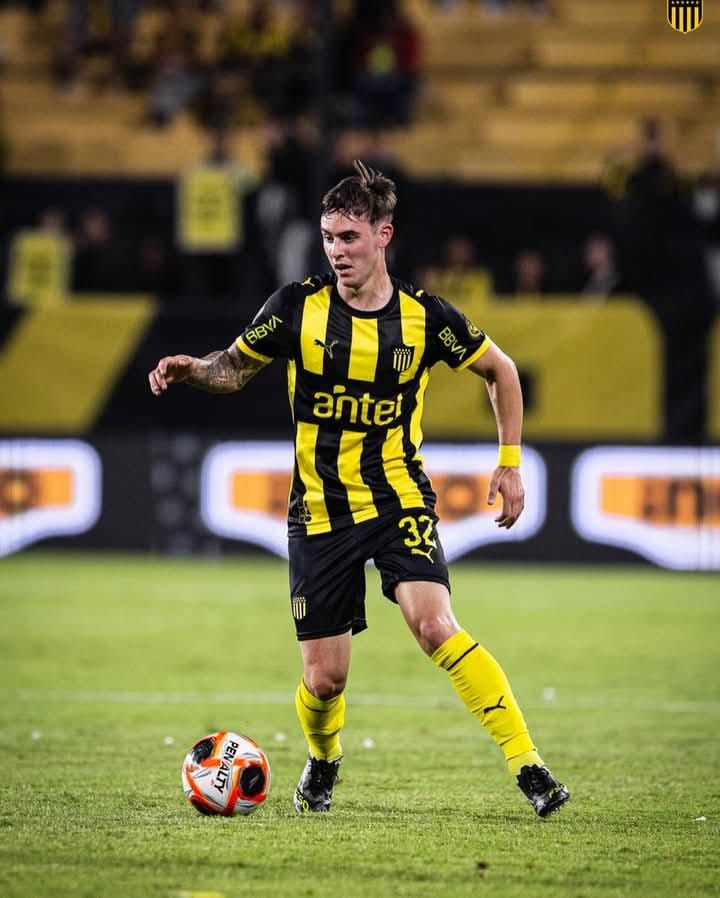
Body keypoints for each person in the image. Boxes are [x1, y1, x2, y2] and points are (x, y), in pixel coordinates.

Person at [148, 161, 570, 818]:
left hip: (399, 498)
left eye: (348, 237)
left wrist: (509, 461)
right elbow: (232, 367)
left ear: (382, 235)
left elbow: (502, 370)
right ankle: (323, 760)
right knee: (325, 679)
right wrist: (193, 369)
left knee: (435, 626)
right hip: (319, 511)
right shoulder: (297, 307)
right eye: (328, 238)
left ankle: (530, 767)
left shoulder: (425, 318)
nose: (337, 251)